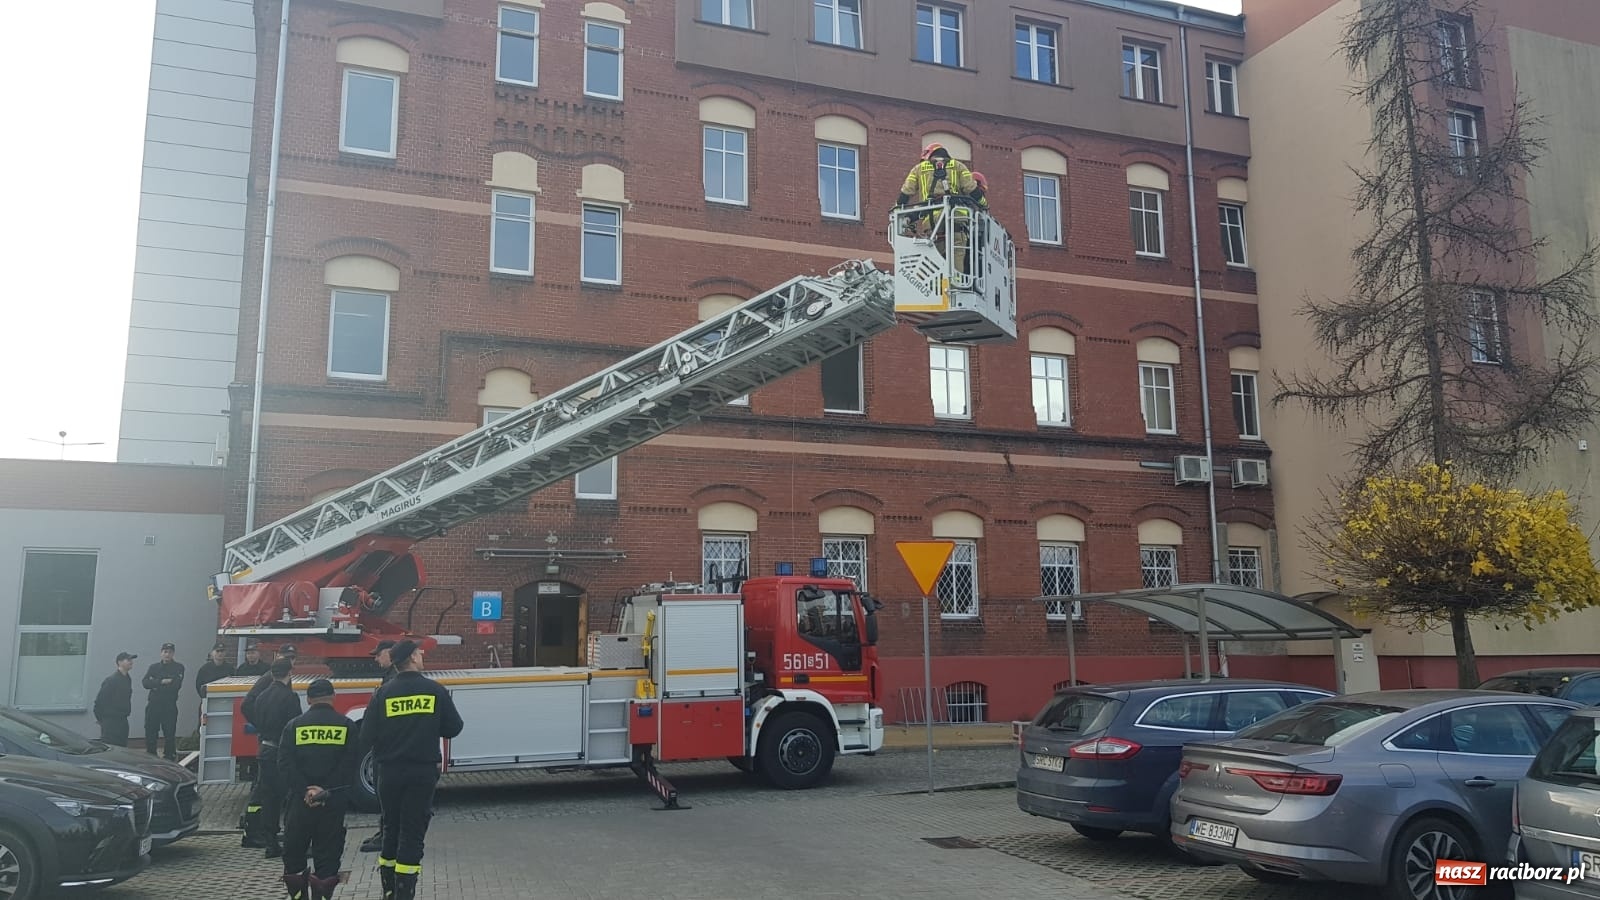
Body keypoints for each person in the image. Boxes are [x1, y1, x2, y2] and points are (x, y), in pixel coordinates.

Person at [361, 640, 463, 900]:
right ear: (413, 659)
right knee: (412, 832)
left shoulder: (382, 693)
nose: (422, 656)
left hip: (389, 773)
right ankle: (405, 893)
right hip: (421, 772)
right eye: (420, 653)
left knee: (391, 828)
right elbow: (453, 728)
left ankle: (389, 890)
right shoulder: (434, 690)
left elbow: (367, 735)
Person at [278, 678, 359, 900]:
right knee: (327, 855)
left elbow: (285, 763)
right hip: (332, 803)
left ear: (309, 699)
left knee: (294, 853)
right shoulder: (347, 726)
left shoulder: (293, 726)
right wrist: (325, 790)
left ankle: (298, 896)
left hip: (300, 803)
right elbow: (349, 764)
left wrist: (306, 790)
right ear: (333, 697)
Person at [243, 657, 303, 856]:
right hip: (282, 753)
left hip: (265, 751)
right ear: (289, 673)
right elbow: (295, 726)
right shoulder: (290, 697)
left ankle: (271, 843)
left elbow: (253, 715)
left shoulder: (261, 696)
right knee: (291, 797)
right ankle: (292, 841)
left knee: (269, 798)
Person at [894, 143, 987, 273]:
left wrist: (898, 211)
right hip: (955, 221)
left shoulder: (918, 169)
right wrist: (984, 204)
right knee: (956, 267)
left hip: (932, 225)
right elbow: (971, 189)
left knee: (934, 265)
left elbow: (906, 192)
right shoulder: (958, 166)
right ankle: (956, 289)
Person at [359, 640, 398, 854]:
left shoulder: (392, 681)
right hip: (388, 750)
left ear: (390, 653)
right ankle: (384, 831)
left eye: (378, 654)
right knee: (385, 797)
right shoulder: (390, 677)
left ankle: (387, 835)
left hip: (387, 751)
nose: (375, 658)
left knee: (388, 797)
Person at [141, 642, 185, 760]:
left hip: (169, 705)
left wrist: (155, 684)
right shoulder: (154, 667)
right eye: (165, 652)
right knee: (151, 731)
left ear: (173, 654)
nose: (167, 654)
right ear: (161, 653)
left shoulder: (178, 667)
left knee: (169, 733)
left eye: (170, 652)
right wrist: (161, 682)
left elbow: (175, 686)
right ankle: (151, 755)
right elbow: (145, 683)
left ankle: (169, 756)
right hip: (153, 705)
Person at [93, 652, 136, 747]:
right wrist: (102, 720)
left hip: (123, 720)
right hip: (111, 722)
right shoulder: (111, 680)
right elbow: (100, 701)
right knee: (111, 748)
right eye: (128, 660)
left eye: (132, 660)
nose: (131, 662)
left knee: (122, 748)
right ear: (120, 662)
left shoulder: (128, 679)